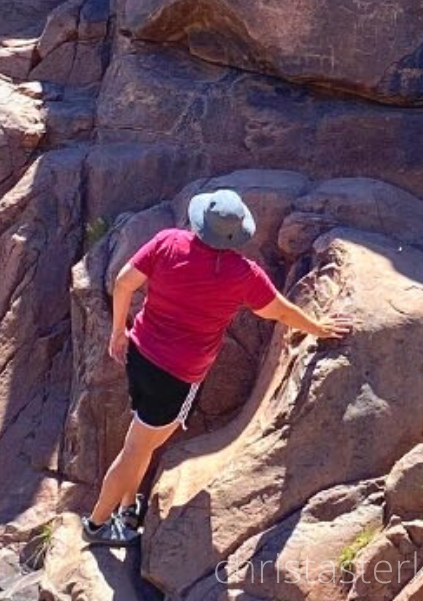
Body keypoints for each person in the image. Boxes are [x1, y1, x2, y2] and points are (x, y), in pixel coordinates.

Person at [83, 186, 352, 547]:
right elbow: (281, 312)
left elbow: (123, 282)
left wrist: (119, 332)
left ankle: (130, 506)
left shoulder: (168, 242)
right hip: (176, 377)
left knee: (141, 440)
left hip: (140, 355)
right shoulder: (243, 275)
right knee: (137, 448)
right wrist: (318, 328)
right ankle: (99, 524)